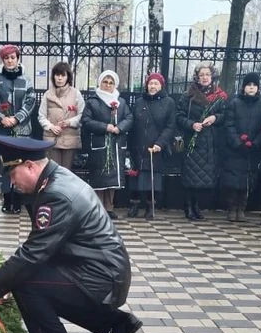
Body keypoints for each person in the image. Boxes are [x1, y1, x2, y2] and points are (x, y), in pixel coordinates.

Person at [0, 135, 142, 333]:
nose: (12, 183)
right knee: (37, 279)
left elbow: (32, 255)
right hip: (99, 269)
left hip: (102, 277)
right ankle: (118, 323)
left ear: (30, 166)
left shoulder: (56, 195)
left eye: (12, 175)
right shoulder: (55, 178)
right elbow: (40, 245)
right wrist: (1, 283)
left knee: (26, 281)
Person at [0, 44, 37, 214]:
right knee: (4, 164)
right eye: (6, 58)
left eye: (13, 57)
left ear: (18, 58)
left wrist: (17, 118)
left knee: (19, 164)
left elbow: (30, 101)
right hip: (2, 130)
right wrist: (2, 118)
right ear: (3, 60)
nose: (10, 61)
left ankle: (18, 200)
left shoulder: (26, 79)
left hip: (21, 130)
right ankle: (7, 199)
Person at [176, 64, 228, 221]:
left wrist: (215, 118)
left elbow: (225, 115)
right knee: (190, 175)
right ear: (197, 77)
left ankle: (197, 206)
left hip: (209, 142)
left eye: (208, 74)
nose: (205, 77)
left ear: (212, 77)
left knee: (203, 177)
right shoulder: (188, 96)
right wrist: (191, 124)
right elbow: (178, 116)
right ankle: (189, 206)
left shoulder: (219, 96)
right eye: (202, 75)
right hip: (193, 140)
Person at [81, 70, 133, 218]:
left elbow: (129, 118)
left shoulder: (121, 102)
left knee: (113, 178)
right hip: (99, 145)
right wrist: (105, 127)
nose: (108, 85)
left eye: (111, 83)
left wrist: (119, 127)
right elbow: (86, 121)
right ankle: (98, 209)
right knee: (100, 177)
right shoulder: (93, 102)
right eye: (105, 82)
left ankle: (109, 208)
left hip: (116, 144)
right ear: (100, 83)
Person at [221, 72, 261, 222]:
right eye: (248, 85)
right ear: (243, 87)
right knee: (233, 180)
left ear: (258, 88)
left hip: (252, 150)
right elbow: (229, 125)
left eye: (254, 85)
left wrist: (256, 142)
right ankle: (231, 208)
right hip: (235, 149)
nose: (251, 88)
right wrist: (237, 142)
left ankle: (241, 208)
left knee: (246, 181)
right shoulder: (235, 103)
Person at [128, 72, 176, 220]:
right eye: (150, 83)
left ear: (161, 85)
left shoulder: (169, 102)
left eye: (156, 83)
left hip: (156, 146)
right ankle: (134, 204)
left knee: (152, 177)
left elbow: (170, 126)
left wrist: (160, 143)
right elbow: (133, 122)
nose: (153, 86)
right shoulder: (139, 102)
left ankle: (150, 205)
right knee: (136, 176)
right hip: (138, 145)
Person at [37, 61, 85, 170]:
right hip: (52, 139)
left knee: (67, 172)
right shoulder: (47, 94)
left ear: (68, 77)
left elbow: (82, 115)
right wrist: (51, 127)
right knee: (53, 172)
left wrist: (70, 122)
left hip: (70, 139)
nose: (59, 78)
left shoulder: (76, 94)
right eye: (57, 75)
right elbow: (41, 115)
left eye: (63, 75)